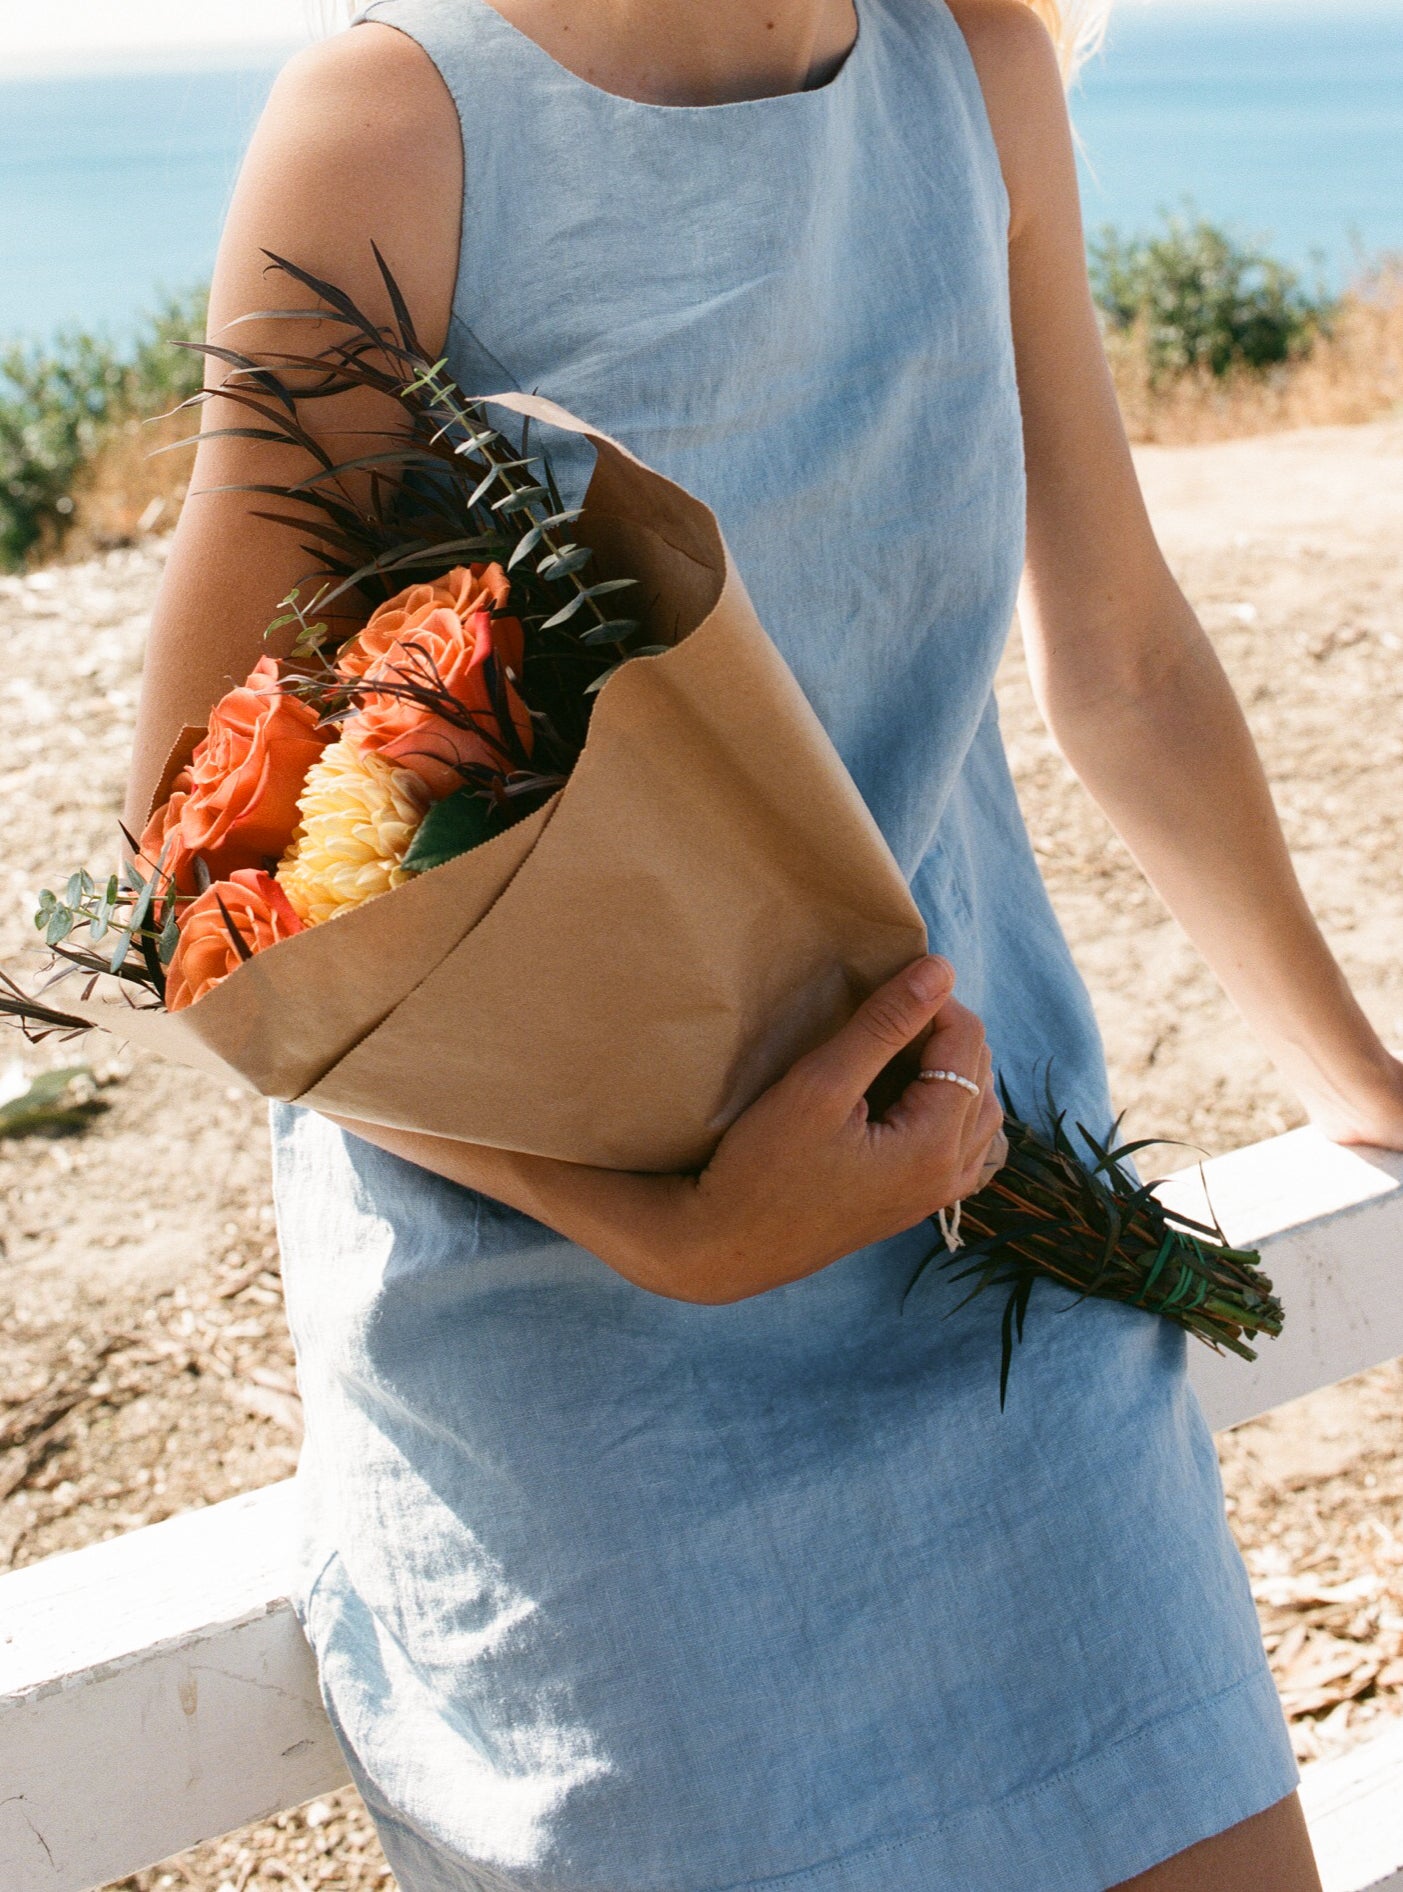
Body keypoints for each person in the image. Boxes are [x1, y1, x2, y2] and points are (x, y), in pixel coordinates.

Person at [124, 0, 1403, 1886]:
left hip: (1006, 1259)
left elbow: (1124, 656)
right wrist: (673, 1230)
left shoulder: (978, 70)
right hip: (590, 1385)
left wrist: (1359, 1073)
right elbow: (190, 885)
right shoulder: (393, 126)